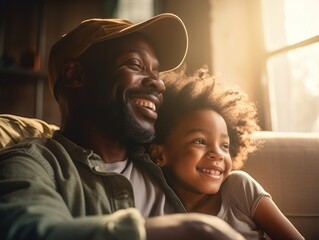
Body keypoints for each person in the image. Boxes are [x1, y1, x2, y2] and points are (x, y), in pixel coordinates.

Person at [0, 14, 244, 240]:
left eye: (156, 72)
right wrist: (191, 229)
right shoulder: (33, 163)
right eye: (136, 65)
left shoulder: (163, 155)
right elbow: (28, 230)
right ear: (75, 75)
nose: (159, 84)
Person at [149, 67, 305, 240]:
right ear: (160, 155)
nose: (217, 154)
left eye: (224, 145)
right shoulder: (154, 207)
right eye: (199, 141)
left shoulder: (239, 188)